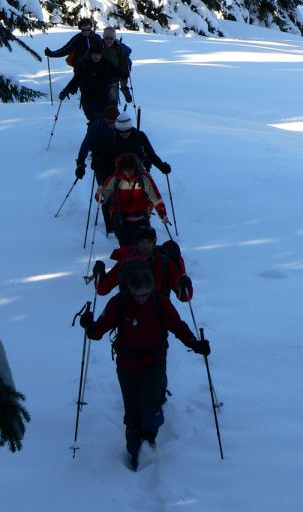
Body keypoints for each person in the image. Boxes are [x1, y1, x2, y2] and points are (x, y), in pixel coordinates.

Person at [79, 262, 210, 470]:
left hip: (154, 361)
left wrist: (194, 343)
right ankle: (134, 452)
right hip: (126, 363)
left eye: (145, 294)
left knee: (151, 406)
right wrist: (89, 325)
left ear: (152, 289)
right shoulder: (119, 303)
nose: (141, 299)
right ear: (129, 289)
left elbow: (177, 326)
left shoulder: (161, 302)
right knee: (132, 413)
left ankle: (149, 439)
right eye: (136, 294)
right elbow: (98, 331)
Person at [93, 226, 193, 302]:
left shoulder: (165, 263)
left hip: (158, 314)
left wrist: (185, 284)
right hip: (130, 314)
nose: (145, 246)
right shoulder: (126, 263)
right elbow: (103, 289)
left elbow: (184, 296)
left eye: (149, 242)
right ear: (137, 243)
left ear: (154, 243)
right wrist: (100, 274)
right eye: (142, 242)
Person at [97, 153, 168, 246]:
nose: (129, 172)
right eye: (126, 170)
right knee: (127, 250)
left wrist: (162, 214)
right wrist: (100, 193)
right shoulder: (115, 179)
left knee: (143, 249)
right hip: (122, 222)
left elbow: (156, 198)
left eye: (131, 169)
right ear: (121, 169)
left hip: (142, 220)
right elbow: (102, 199)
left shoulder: (144, 179)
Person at [59, 41, 123, 123]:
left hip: (103, 98)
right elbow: (75, 79)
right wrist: (65, 91)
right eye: (94, 54)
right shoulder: (84, 65)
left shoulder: (106, 63)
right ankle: (92, 133)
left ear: (101, 55)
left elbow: (118, 71)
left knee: (106, 120)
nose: (96, 56)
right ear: (91, 54)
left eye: (98, 54)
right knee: (94, 120)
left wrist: (124, 73)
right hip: (88, 98)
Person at [96, 113, 171, 176]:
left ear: (131, 128)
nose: (124, 133)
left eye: (127, 130)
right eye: (121, 131)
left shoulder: (139, 136)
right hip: (117, 174)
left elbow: (151, 154)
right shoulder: (112, 138)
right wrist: (98, 164)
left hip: (139, 173)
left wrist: (161, 166)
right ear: (117, 130)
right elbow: (104, 157)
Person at [75, 105, 118, 182]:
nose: (112, 124)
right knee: (104, 188)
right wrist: (80, 163)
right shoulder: (97, 126)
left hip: (117, 162)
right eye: (109, 122)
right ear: (105, 119)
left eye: (114, 122)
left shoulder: (120, 125)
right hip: (100, 162)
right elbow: (86, 144)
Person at [101, 26, 133, 103]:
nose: (108, 40)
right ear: (103, 37)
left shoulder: (119, 48)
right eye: (106, 38)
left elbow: (125, 65)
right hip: (100, 78)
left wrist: (124, 88)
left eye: (111, 38)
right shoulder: (99, 46)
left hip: (114, 79)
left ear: (114, 38)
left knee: (113, 102)